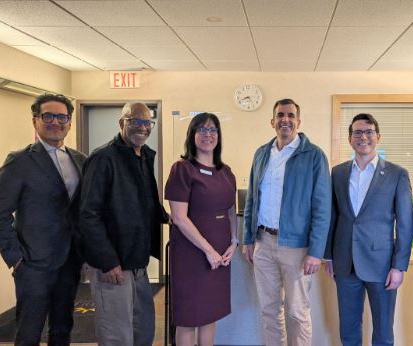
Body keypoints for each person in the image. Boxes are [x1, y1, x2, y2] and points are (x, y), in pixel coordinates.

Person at [0, 94, 86, 345]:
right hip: (33, 265)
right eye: (48, 116)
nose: (55, 121)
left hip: (70, 261)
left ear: (69, 123)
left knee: (63, 329)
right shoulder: (19, 161)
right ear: (35, 121)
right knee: (29, 333)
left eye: (62, 117)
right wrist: (17, 260)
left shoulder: (80, 160)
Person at [242, 98, 331, 346]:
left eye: (291, 115)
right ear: (272, 121)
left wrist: (316, 252)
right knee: (269, 311)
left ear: (298, 122)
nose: (286, 120)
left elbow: (322, 208)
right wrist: (248, 239)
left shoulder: (313, 156)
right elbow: (252, 199)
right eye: (281, 115)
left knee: (297, 312)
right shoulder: (262, 154)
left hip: (297, 247)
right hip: (263, 242)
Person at [79, 102, 168, 346]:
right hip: (113, 265)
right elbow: (88, 214)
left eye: (147, 122)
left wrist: (175, 219)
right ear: (122, 123)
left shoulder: (143, 156)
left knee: (142, 332)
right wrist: (107, 261)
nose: (142, 127)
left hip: (138, 262)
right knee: (117, 335)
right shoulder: (103, 159)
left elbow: (145, 202)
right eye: (135, 121)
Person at [324, 113, 413, 346]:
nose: (363, 137)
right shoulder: (339, 173)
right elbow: (333, 217)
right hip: (345, 262)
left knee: (383, 331)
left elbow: (405, 223)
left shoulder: (396, 174)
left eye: (369, 132)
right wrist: (328, 255)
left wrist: (398, 266)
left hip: (382, 264)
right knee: (349, 328)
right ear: (350, 139)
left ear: (378, 136)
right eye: (358, 133)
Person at [165, 112, 237, 346]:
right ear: (192, 135)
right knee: (188, 318)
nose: (208, 134)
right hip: (191, 253)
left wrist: (234, 242)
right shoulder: (183, 169)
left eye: (213, 130)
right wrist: (208, 250)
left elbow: (230, 210)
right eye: (202, 130)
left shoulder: (226, 172)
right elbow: (179, 217)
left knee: (209, 314)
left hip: (220, 254)